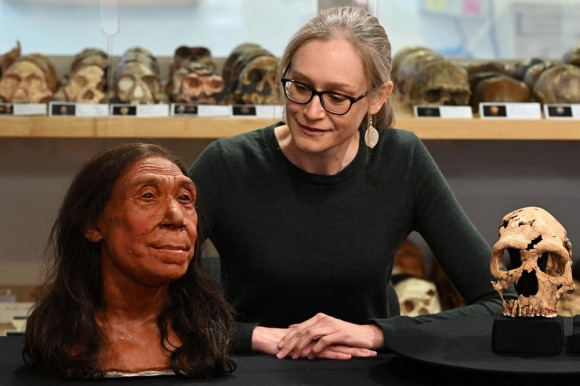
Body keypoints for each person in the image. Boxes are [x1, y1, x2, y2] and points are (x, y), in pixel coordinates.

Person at [189, 6, 515, 360]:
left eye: (337, 98)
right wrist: (255, 337)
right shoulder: (228, 164)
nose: (312, 112)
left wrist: (375, 334)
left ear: (377, 97)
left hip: (367, 370)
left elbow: (501, 303)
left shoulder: (401, 160)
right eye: (300, 87)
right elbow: (136, 300)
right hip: (249, 368)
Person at [24, 143, 236, 379]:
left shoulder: (200, 332)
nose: (176, 217)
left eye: (185, 198)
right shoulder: (65, 336)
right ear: (93, 224)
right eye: (148, 196)